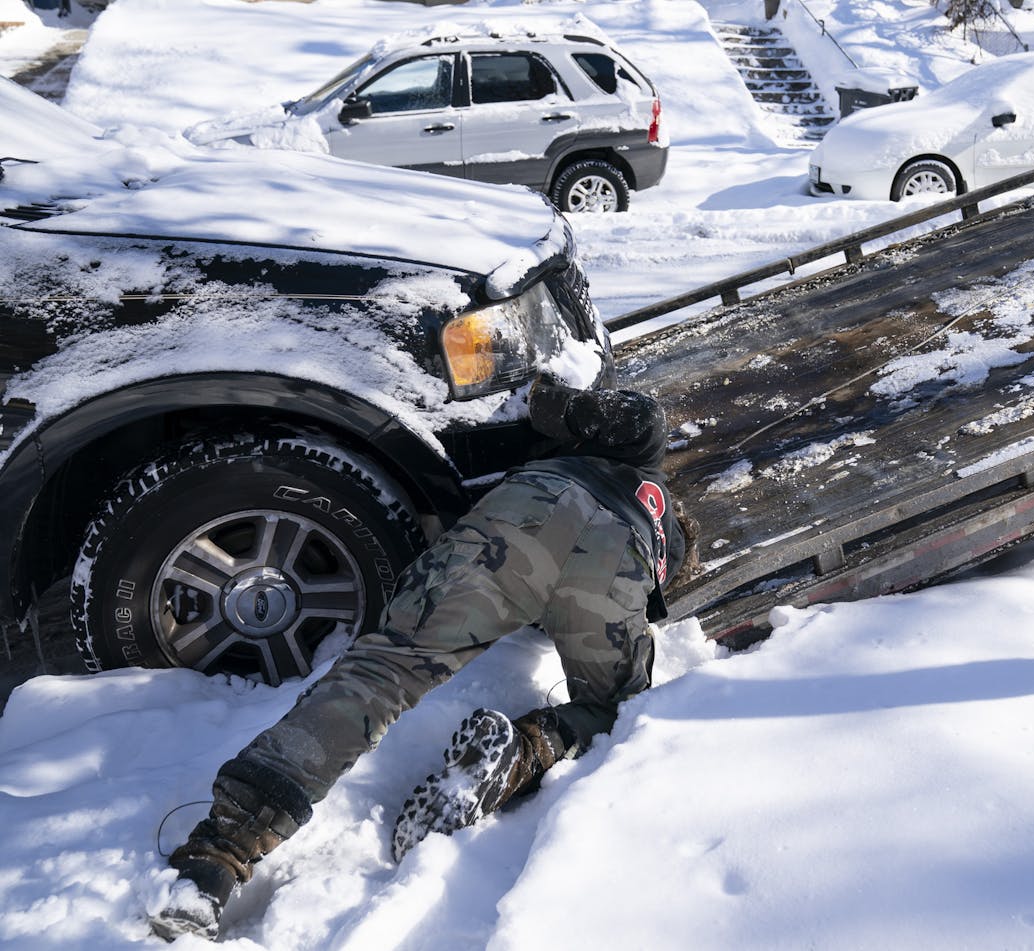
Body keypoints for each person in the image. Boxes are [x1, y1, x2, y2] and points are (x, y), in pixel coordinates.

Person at [149, 377, 694, 942]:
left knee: (390, 668)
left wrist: (551, 396)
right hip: (617, 564)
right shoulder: (665, 536)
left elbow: (577, 406)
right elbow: (631, 594)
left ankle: (218, 855)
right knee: (617, 711)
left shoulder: (643, 443)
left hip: (535, 508)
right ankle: (530, 749)